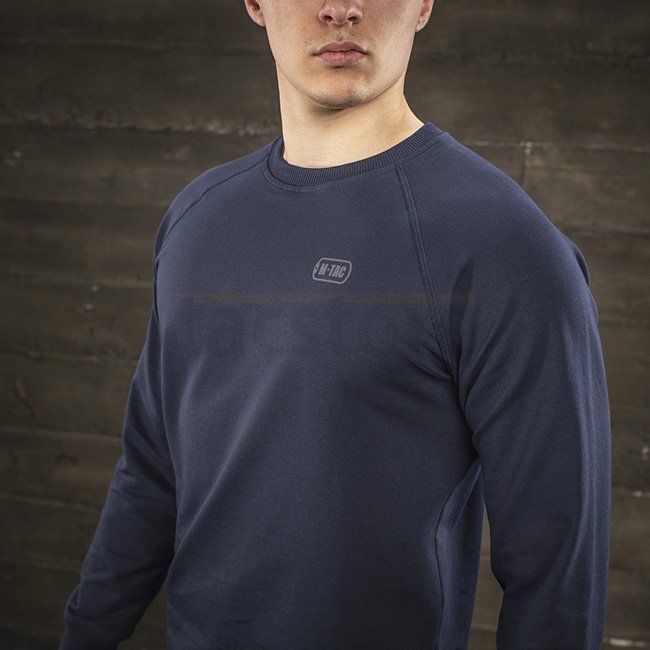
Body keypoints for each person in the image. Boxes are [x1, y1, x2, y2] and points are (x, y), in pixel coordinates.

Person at [59, 1, 612, 648]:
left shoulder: (504, 245)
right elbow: (151, 469)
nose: (340, 8)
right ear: (256, 4)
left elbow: (557, 561)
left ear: (424, 4)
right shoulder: (198, 216)